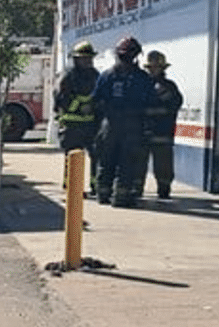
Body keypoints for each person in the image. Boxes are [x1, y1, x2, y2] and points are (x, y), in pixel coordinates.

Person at [91, 36, 156, 208]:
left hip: (110, 124)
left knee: (106, 160)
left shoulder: (107, 76)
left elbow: (95, 100)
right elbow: (151, 101)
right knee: (127, 162)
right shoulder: (142, 78)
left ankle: (103, 193)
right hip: (132, 126)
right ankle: (121, 196)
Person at [54, 40, 101, 196]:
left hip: (91, 125)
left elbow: (100, 96)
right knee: (73, 157)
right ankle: (72, 188)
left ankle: (97, 186)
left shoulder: (95, 75)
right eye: (83, 58)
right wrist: (81, 105)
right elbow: (61, 100)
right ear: (75, 59)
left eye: (89, 58)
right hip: (72, 124)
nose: (87, 61)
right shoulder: (67, 76)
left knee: (96, 155)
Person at [139, 50, 183, 199]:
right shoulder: (141, 85)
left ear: (163, 68)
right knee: (138, 166)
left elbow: (174, 105)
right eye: (151, 68)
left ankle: (164, 191)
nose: (153, 70)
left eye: (156, 67)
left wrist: (151, 111)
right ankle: (136, 189)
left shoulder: (170, 87)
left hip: (162, 134)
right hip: (142, 134)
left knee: (164, 166)